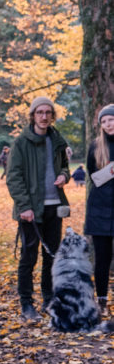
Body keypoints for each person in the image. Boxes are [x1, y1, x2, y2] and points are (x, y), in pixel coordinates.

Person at [6, 96, 70, 320]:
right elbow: (13, 177)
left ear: (52, 115)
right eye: (39, 112)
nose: (44, 116)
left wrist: (64, 175)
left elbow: (65, 167)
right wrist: (24, 206)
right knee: (28, 256)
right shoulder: (21, 142)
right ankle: (26, 304)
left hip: (55, 206)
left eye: (48, 112)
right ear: (32, 115)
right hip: (31, 210)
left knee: (51, 256)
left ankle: (49, 299)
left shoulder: (57, 139)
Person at [84, 104, 114, 317]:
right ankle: (101, 300)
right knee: (102, 258)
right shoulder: (96, 146)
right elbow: (93, 177)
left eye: (110, 120)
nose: (107, 124)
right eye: (103, 121)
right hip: (100, 209)